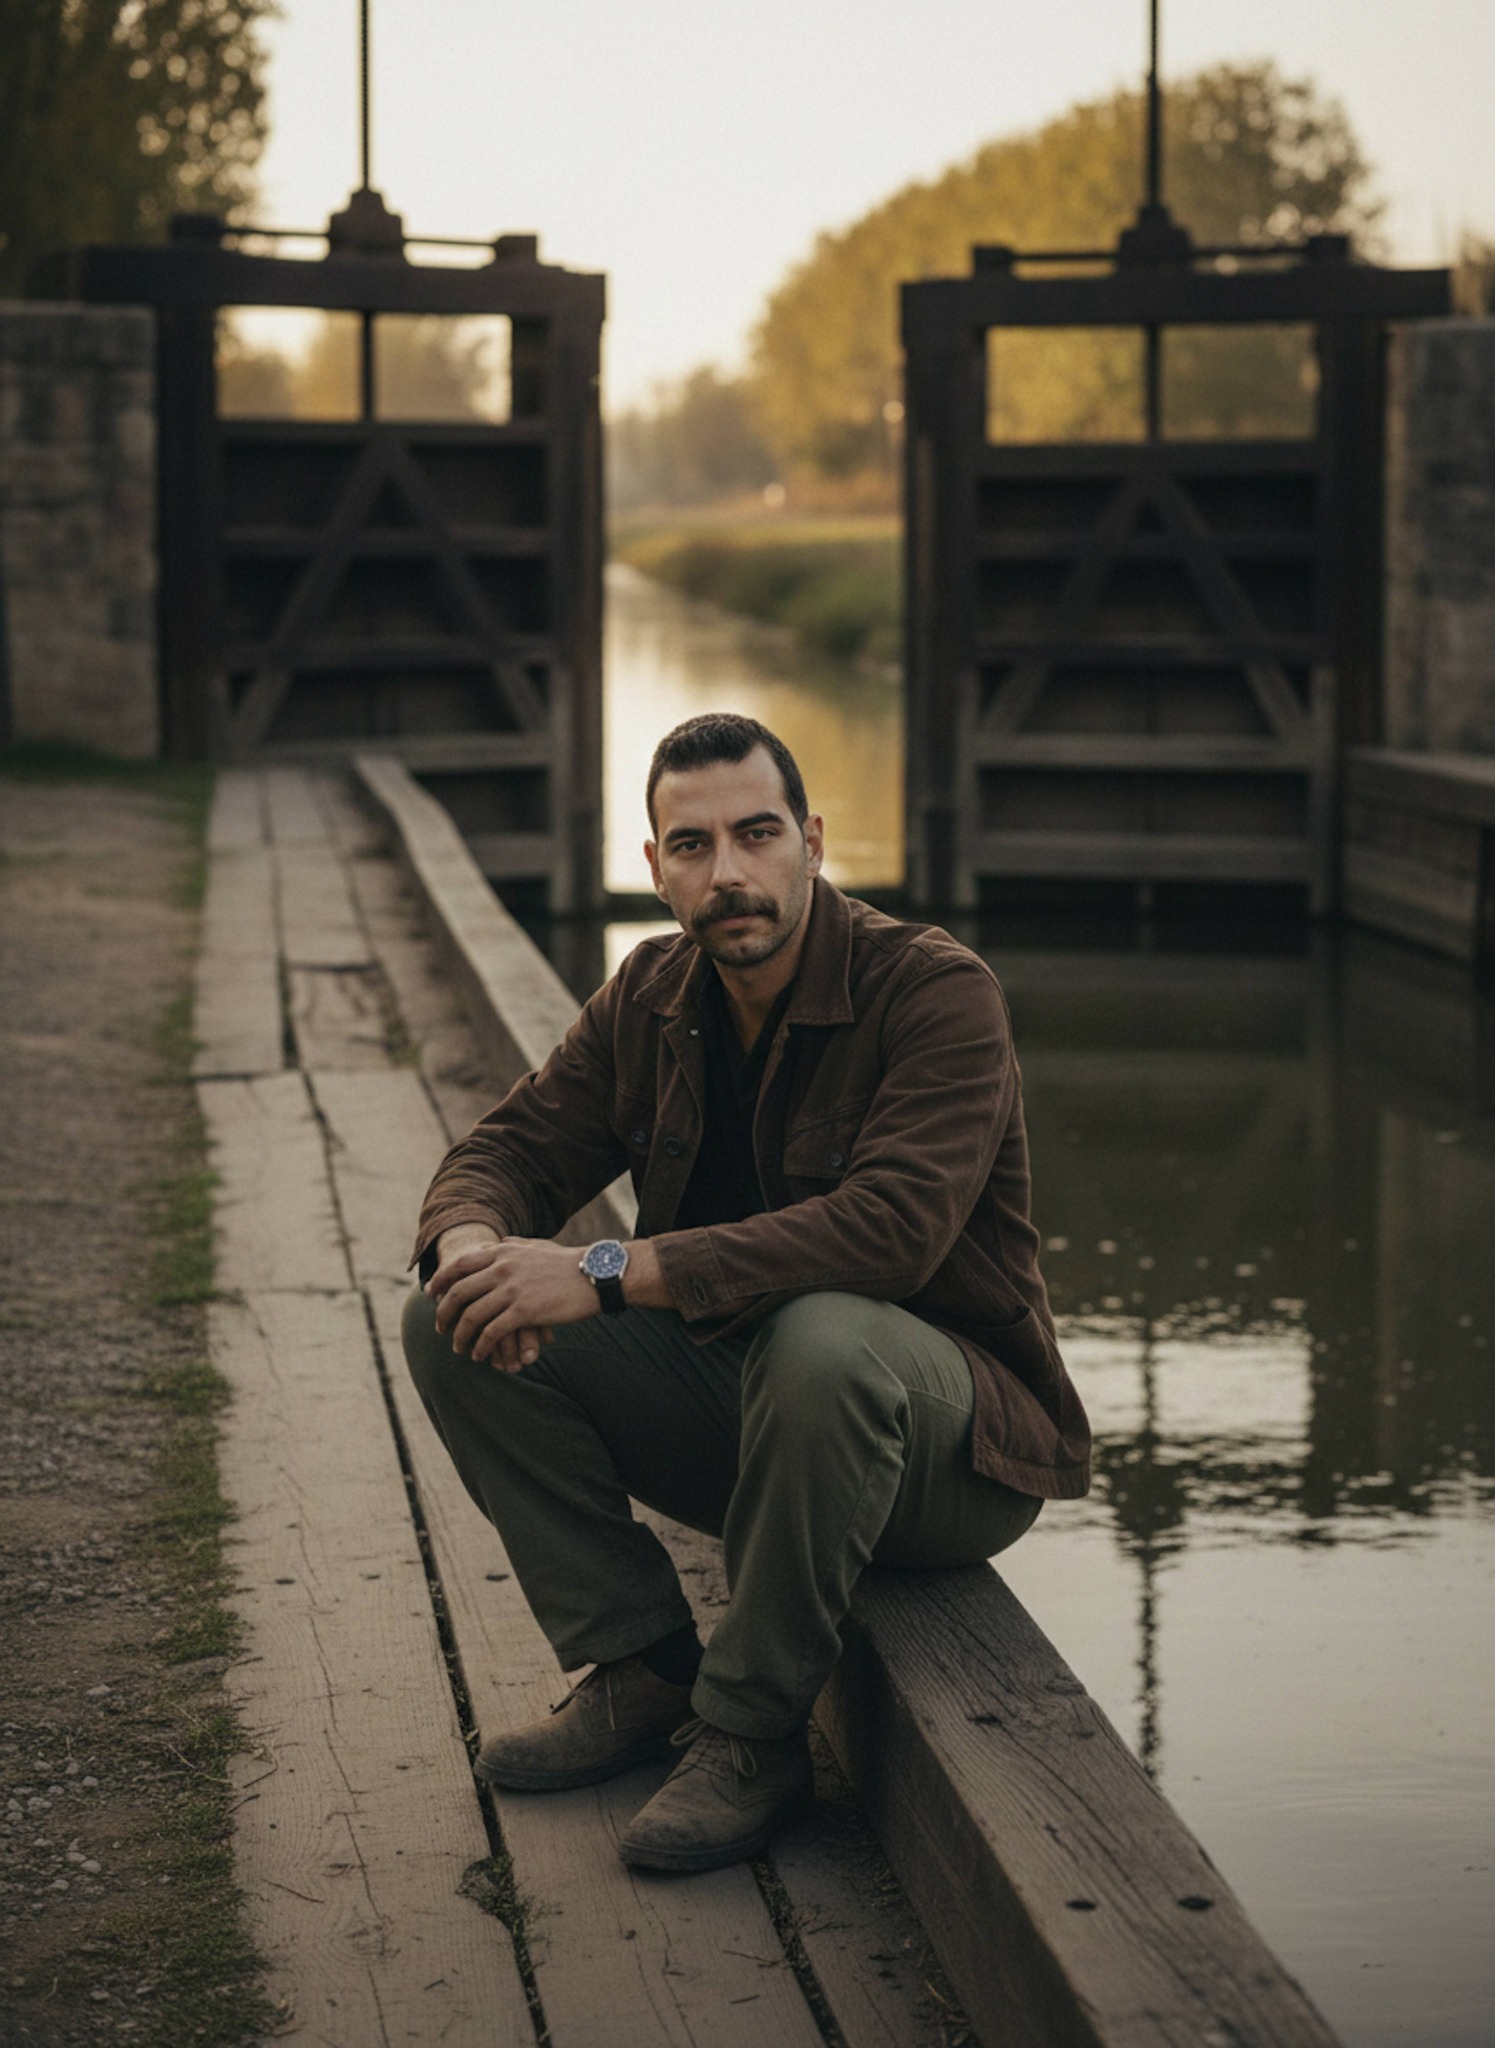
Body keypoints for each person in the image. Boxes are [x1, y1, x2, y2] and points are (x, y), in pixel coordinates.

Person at [402, 712, 1090, 1874]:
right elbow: (510, 1147)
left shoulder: (933, 991)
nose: (729, 873)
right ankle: (640, 1669)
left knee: (823, 1338)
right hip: (763, 1427)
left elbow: (892, 1232)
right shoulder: (654, 990)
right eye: (692, 845)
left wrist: (604, 1268)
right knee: (450, 1317)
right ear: (655, 867)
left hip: (949, 1453)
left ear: (812, 841)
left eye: (756, 833)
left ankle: (749, 1733)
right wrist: (472, 1243)